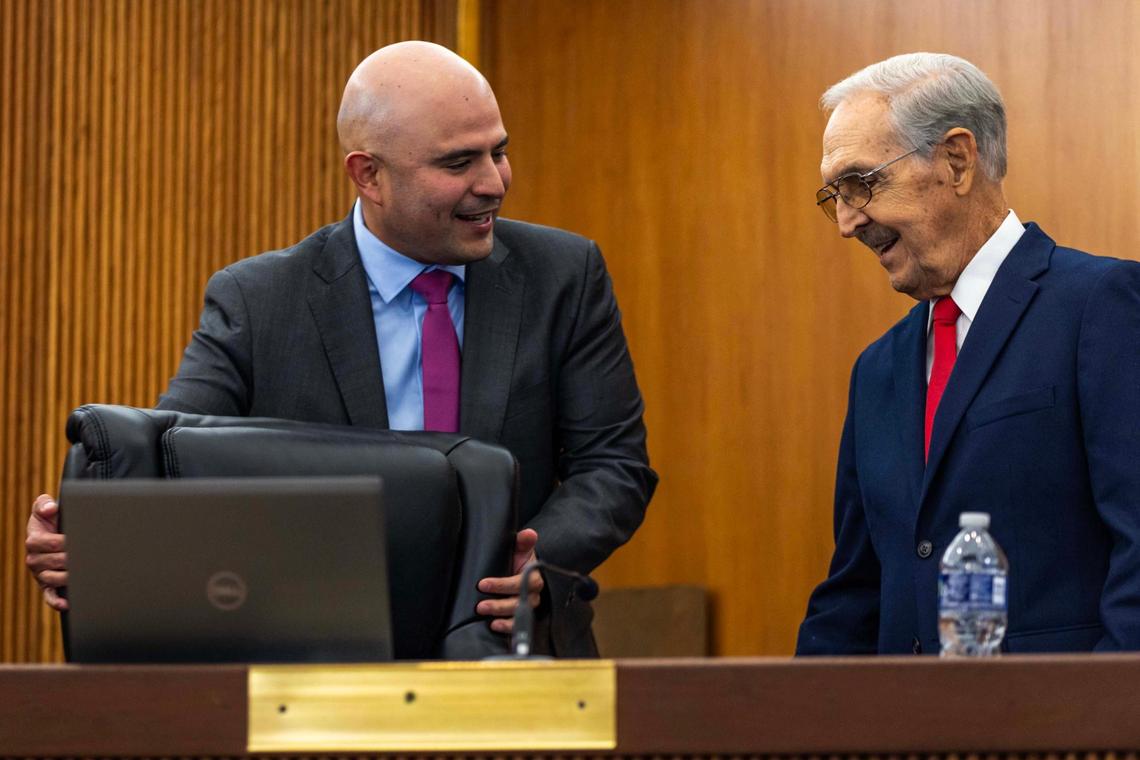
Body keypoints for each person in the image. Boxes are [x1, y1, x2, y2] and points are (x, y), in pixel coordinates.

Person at [25, 41, 657, 657]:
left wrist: (537, 552)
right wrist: (93, 539)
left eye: (500, 151)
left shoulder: (564, 274)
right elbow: (174, 462)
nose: (494, 183)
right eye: (459, 163)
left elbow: (614, 464)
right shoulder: (258, 299)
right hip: (320, 663)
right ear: (369, 175)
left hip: (514, 649)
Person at [797, 52, 1140, 655]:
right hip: (907, 735)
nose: (846, 222)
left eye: (860, 183)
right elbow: (855, 592)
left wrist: (1104, 729)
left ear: (957, 160)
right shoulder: (877, 370)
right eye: (836, 195)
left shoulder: (1100, 307)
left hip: (1062, 734)